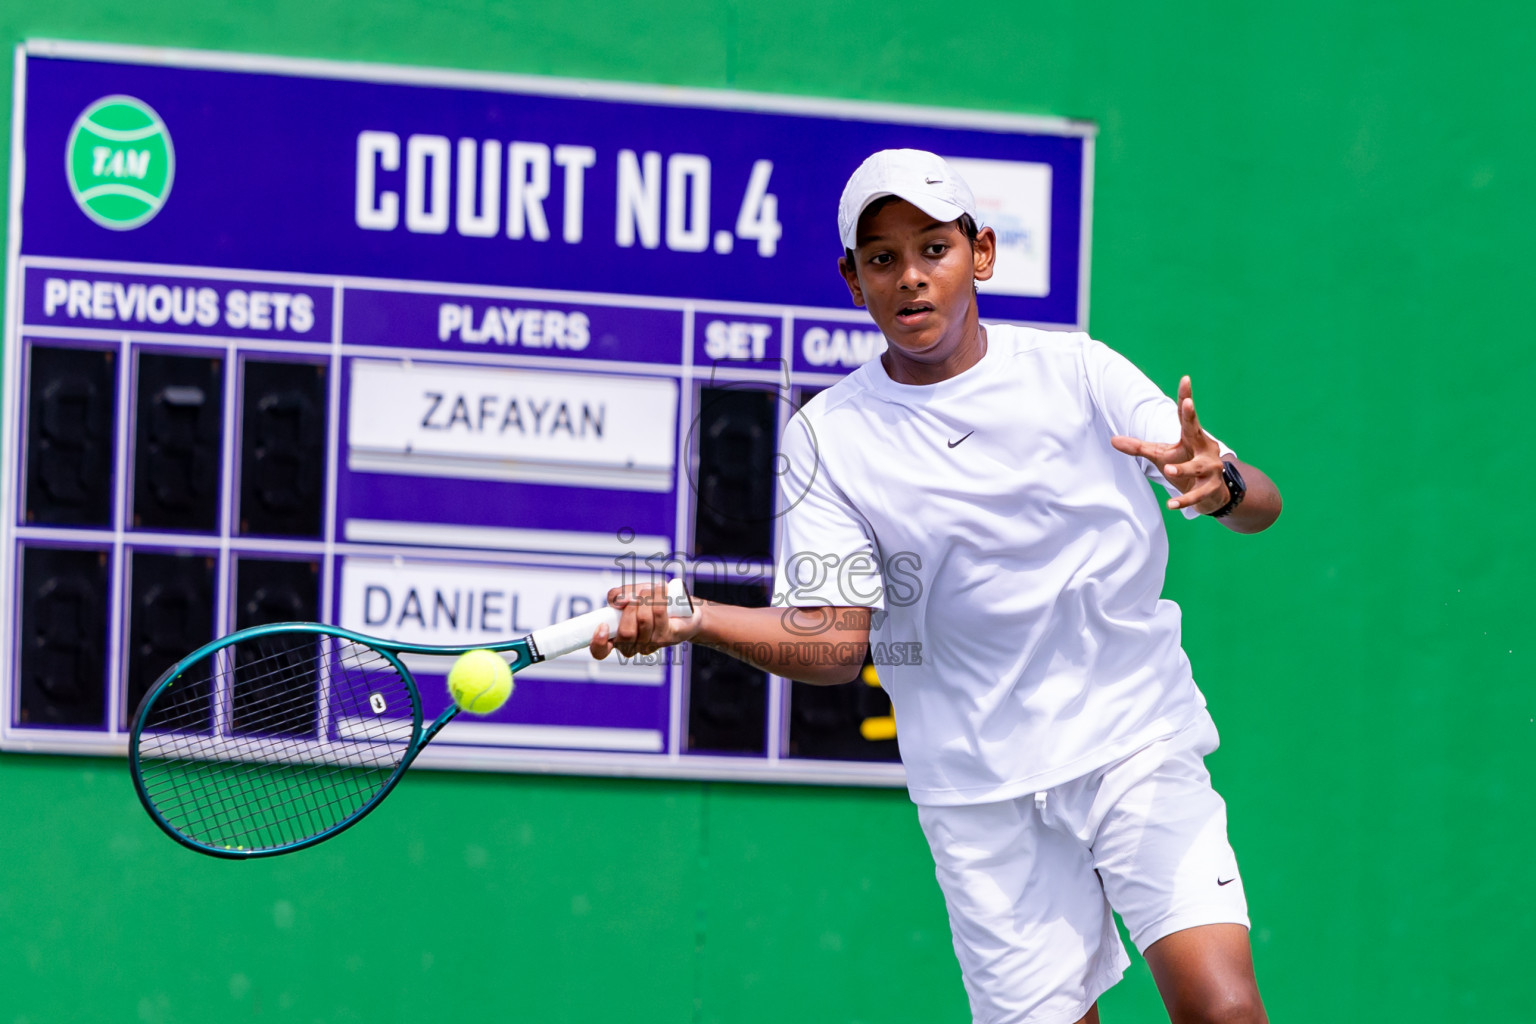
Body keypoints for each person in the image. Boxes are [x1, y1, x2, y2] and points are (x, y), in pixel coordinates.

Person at [592, 149, 1281, 1024]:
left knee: (1223, 1011)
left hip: (1131, 741)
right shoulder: (828, 436)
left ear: (980, 253)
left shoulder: (1080, 372)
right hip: (978, 795)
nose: (910, 278)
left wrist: (1216, 481)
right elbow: (836, 645)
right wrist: (693, 617)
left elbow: (1262, 505)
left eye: (933, 249)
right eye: (882, 259)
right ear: (854, 282)